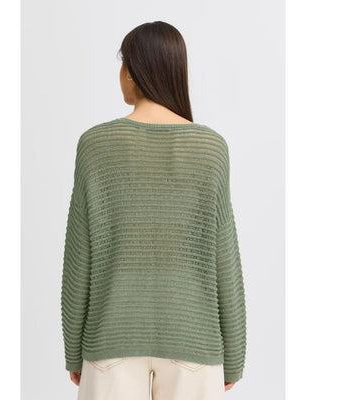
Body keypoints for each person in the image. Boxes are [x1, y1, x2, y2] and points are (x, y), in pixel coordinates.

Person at [60, 21, 247, 400]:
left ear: (132, 70)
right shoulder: (210, 148)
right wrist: (235, 355)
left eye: (122, 64)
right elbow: (224, 260)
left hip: (110, 340)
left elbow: (79, 259)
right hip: (194, 343)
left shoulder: (94, 145)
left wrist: (74, 350)